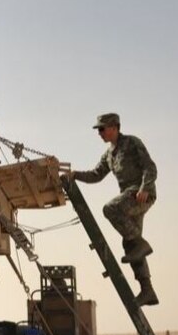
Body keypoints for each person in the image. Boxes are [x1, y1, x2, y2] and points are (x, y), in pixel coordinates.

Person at [65, 113, 159, 306]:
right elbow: (96, 175)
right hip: (129, 196)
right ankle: (147, 290)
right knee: (130, 245)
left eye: (102, 129)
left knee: (111, 209)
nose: (99, 133)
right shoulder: (109, 155)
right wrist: (74, 175)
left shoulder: (132, 143)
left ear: (114, 127)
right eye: (98, 129)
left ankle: (141, 243)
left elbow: (150, 167)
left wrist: (144, 188)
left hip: (140, 194)